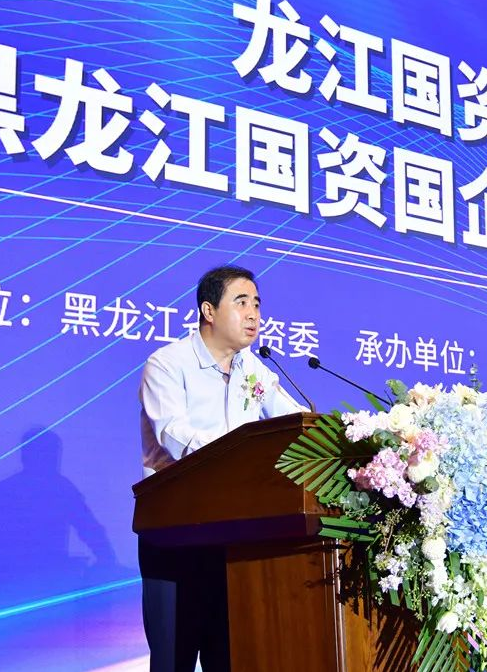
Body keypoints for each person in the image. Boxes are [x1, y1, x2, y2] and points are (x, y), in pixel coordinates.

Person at [138, 265, 306, 672]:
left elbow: (295, 422)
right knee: (173, 660)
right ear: (209, 311)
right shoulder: (168, 364)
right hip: (175, 530)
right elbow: (174, 436)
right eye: (241, 302)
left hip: (237, 535)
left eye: (257, 304)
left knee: (231, 658)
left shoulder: (254, 369)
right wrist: (244, 453)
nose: (254, 314)